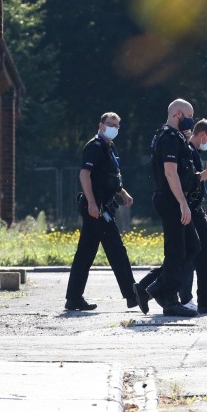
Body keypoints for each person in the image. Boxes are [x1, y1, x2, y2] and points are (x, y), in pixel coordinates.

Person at [135, 119, 207, 314]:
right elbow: (191, 181)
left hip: (193, 208)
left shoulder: (190, 150)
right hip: (187, 208)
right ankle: (179, 296)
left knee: (186, 254)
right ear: (202, 135)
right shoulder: (186, 149)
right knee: (191, 254)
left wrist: (206, 218)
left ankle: (151, 289)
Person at [64, 112, 140, 311]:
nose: (113, 128)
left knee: (86, 253)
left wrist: (123, 193)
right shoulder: (95, 146)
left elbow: (109, 178)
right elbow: (85, 175)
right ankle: (132, 295)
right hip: (96, 207)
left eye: (117, 125)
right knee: (116, 250)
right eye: (110, 124)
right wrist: (91, 203)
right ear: (101, 125)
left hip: (102, 205)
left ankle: (73, 298)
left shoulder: (109, 147)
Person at [140, 99, 201, 317]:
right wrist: (182, 203)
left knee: (191, 246)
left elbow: (184, 173)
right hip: (170, 198)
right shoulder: (168, 138)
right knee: (176, 251)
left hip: (174, 197)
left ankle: (157, 288)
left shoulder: (174, 137)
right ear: (177, 114)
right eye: (188, 116)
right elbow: (170, 173)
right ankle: (170, 300)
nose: (191, 121)